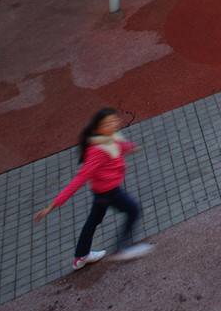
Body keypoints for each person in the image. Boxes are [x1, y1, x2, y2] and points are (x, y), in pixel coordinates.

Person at [33, 108, 152, 270]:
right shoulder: (98, 151)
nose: (113, 124)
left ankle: (81, 256)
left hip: (101, 192)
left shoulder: (110, 139)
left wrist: (131, 147)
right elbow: (79, 179)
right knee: (134, 210)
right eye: (108, 123)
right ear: (98, 129)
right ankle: (121, 249)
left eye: (114, 120)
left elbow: (119, 146)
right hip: (110, 192)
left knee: (93, 220)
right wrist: (52, 206)